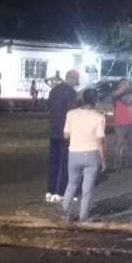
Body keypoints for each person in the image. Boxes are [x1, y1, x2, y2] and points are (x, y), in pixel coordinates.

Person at [62, 88, 106, 222]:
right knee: (87, 187)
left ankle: (65, 213)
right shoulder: (98, 117)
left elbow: (66, 135)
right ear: (95, 100)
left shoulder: (71, 114)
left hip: (74, 153)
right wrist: (103, 159)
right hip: (91, 154)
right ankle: (83, 217)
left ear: (83, 99)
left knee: (71, 184)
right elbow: (100, 141)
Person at [45, 69, 79, 203]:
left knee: (53, 162)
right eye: (76, 79)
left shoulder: (54, 90)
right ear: (71, 78)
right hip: (66, 133)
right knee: (65, 163)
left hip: (54, 131)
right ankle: (61, 192)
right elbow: (72, 113)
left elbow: (49, 108)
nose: (77, 82)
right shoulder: (71, 93)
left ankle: (50, 191)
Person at [111, 80, 132, 170]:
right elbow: (114, 95)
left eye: (127, 84)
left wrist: (131, 90)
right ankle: (117, 164)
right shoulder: (116, 96)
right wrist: (122, 89)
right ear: (119, 85)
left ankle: (130, 162)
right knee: (118, 145)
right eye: (123, 84)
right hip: (120, 123)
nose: (126, 85)